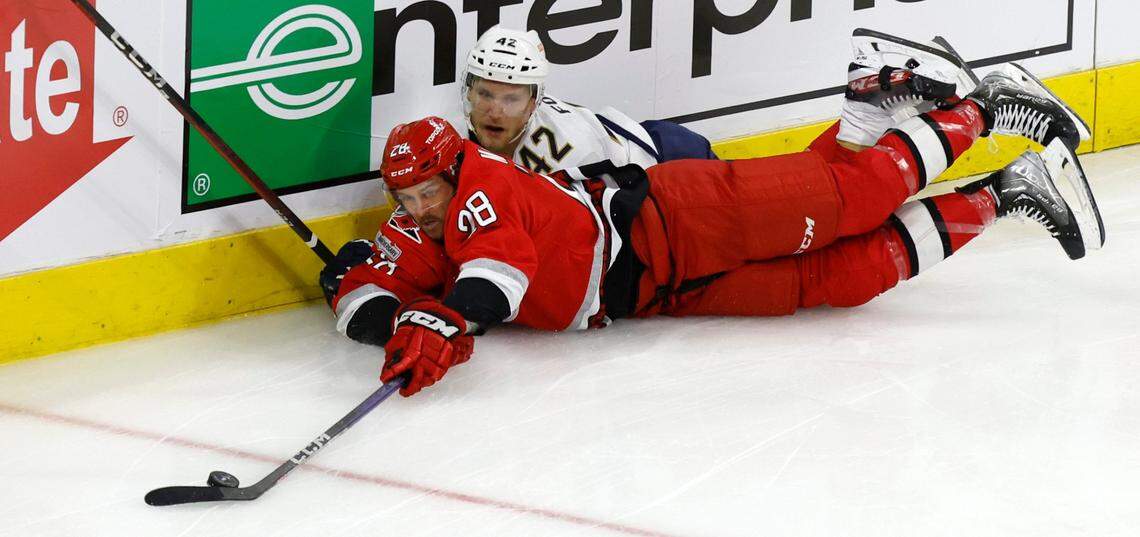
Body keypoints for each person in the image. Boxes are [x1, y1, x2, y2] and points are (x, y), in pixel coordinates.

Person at [322, 57, 1103, 398]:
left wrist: (444, 317)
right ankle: (1007, 192)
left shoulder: (481, 189)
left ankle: (988, 104)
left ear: (454, 170)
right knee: (847, 279)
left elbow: (495, 276)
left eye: (426, 189)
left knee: (856, 198)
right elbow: (370, 292)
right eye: (405, 196)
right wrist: (363, 293)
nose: (416, 207)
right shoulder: (421, 218)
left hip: (674, 215)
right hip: (647, 294)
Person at [460, 25, 717, 173]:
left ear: (532, 104)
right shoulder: (452, 135)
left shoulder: (565, 156)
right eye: (485, 94)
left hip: (670, 163)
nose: (495, 111)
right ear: (469, 91)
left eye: (510, 99)